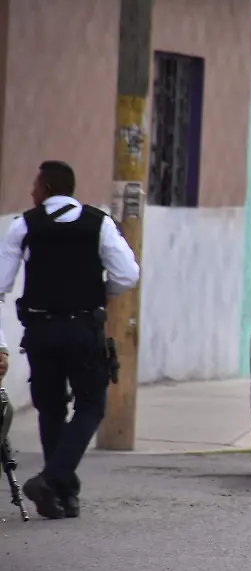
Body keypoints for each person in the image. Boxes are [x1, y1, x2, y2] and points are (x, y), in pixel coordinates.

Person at [0, 160, 140, 520]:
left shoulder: (24, 225)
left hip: (41, 330)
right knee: (92, 405)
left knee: (50, 407)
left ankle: (61, 492)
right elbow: (127, 274)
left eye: (35, 185)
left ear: (46, 189)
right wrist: (97, 291)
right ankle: (55, 481)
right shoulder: (99, 223)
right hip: (83, 328)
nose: (31, 192)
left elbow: (1, 282)